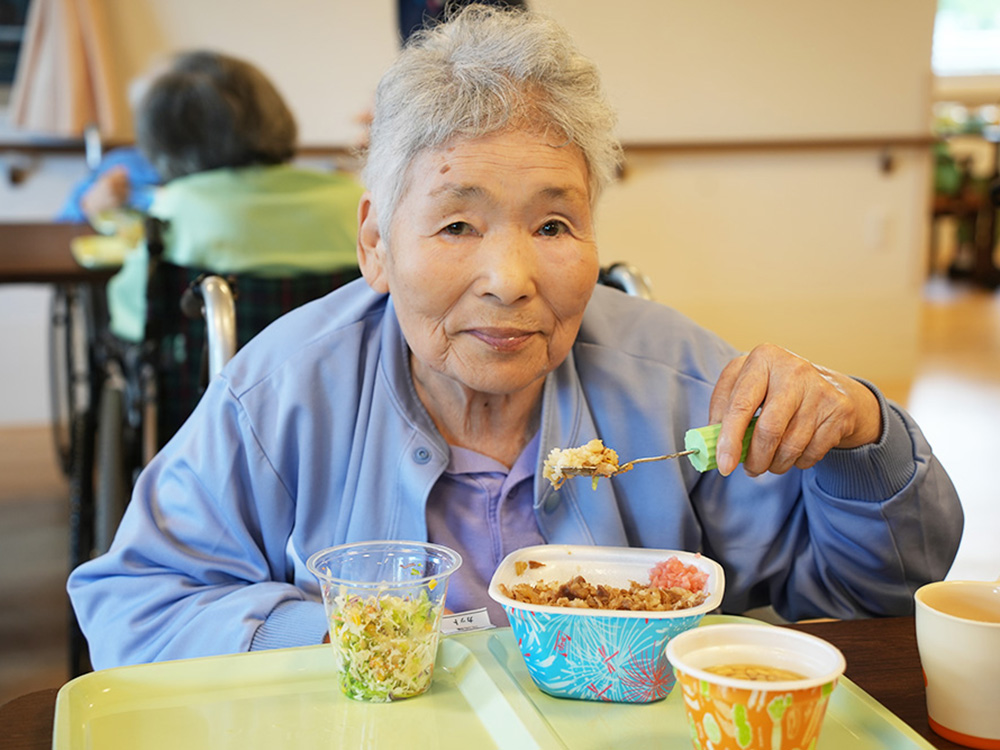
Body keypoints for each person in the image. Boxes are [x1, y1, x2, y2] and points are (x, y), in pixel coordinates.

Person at [68, 5, 962, 669]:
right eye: (457, 225)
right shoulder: (281, 394)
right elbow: (135, 606)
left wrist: (861, 435)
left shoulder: (678, 379)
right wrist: (353, 635)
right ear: (376, 243)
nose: (510, 278)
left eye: (553, 225)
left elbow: (874, 598)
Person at [101, 50, 364, 342]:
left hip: (216, 367)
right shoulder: (355, 200)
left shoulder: (177, 208)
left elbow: (134, 316)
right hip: (344, 366)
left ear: (163, 138)